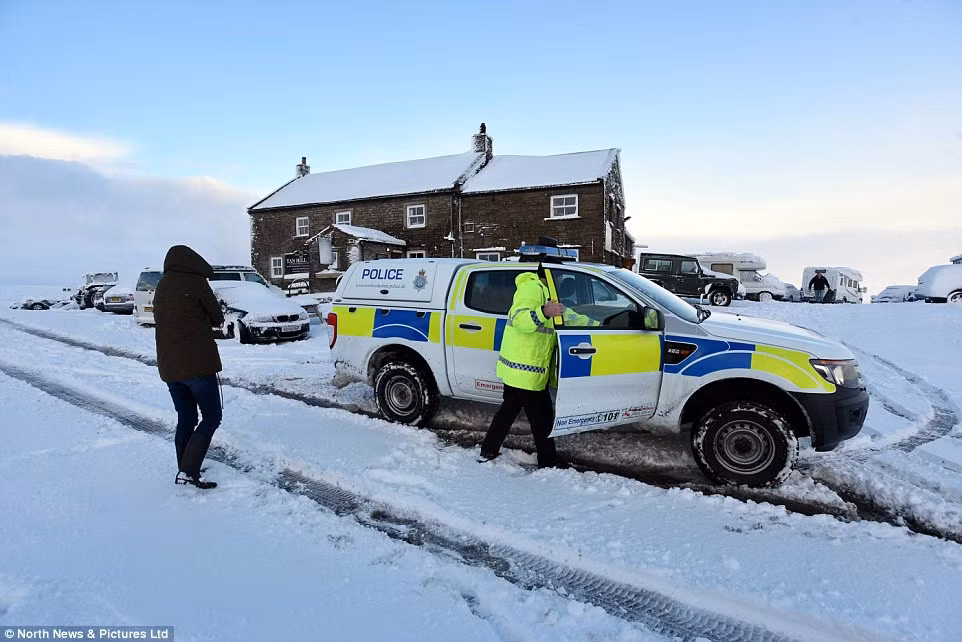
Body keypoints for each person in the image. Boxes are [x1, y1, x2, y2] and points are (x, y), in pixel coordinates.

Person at [478, 266, 598, 468]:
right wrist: (543, 312)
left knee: (508, 411)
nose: (562, 283)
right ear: (548, 275)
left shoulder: (546, 293)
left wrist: (598, 325)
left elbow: (566, 315)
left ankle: (488, 450)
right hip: (527, 369)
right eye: (560, 277)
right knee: (542, 418)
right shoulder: (532, 288)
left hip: (521, 369)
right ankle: (548, 462)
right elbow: (519, 320)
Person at [153, 245, 225, 489]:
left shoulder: (162, 285)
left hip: (169, 366)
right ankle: (188, 472)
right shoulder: (197, 283)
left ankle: (185, 466)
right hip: (197, 363)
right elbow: (218, 317)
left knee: (186, 417)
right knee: (212, 416)